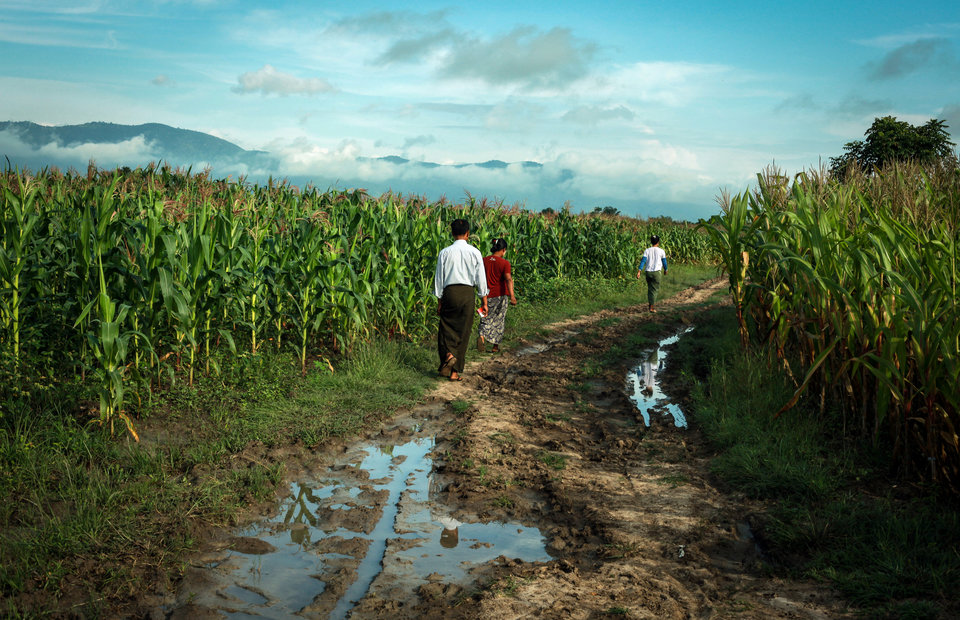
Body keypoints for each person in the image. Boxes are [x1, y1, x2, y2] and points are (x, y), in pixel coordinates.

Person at [434, 219, 488, 381]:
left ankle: (448, 354)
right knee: (463, 331)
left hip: (449, 292)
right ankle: (455, 372)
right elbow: (481, 278)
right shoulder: (474, 252)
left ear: (452, 233)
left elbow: (439, 278)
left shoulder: (445, 252)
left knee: (446, 327)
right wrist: (484, 300)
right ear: (468, 233)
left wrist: (439, 300)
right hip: (467, 293)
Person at [477, 237, 517, 353]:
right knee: (499, 320)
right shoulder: (505, 263)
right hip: (500, 295)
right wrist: (512, 296)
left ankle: (482, 337)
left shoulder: (484, 260)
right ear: (503, 249)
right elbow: (508, 279)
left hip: (485, 295)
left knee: (484, 317)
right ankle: (495, 347)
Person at [636, 235, 668, 312]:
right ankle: (651, 307)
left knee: (650, 289)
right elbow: (664, 262)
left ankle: (650, 305)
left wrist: (639, 271)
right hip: (656, 272)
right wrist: (665, 270)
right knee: (655, 290)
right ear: (658, 242)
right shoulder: (661, 251)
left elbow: (643, 261)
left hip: (648, 272)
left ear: (651, 242)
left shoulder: (647, 250)